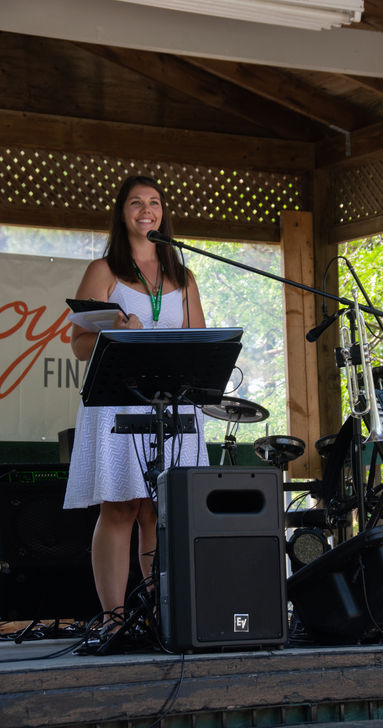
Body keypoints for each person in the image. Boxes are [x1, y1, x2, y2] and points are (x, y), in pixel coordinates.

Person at [63, 175, 208, 633]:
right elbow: (78, 345)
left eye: (155, 202)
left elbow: (201, 343)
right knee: (121, 506)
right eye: (136, 203)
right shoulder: (104, 270)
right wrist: (115, 331)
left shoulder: (183, 277)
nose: (147, 210)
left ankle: (159, 617)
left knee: (159, 509)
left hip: (174, 404)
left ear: (164, 213)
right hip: (118, 401)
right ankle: (114, 621)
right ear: (122, 212)